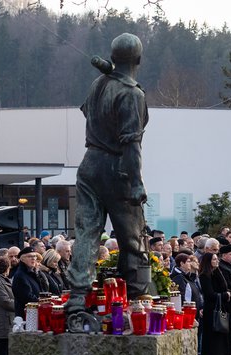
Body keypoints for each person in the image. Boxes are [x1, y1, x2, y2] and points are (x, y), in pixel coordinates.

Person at [66, 33, 152, 319]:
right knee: (133, 236)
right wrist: (137, 182)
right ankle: (137, 301)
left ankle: (77, 299)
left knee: (87, 234)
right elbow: (131, 143)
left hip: (89, 163)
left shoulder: (98, 83)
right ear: (138, 60)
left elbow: (87, 113)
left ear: (113, 58)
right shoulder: (132, 93)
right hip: (117, 166)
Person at [198, 252, 230, 355]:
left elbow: (223, 286)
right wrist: (225, 295)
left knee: (220, 339)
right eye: (214, 259)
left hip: (220, 308)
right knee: (212, 340)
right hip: (211, 311)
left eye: (217, 259)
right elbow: (210, 294)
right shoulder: (205, 276)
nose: (217, 261)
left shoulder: (216, 272)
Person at [12, 247, 43, 317]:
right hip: (27, 316)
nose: (33, 258)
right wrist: (42, 302)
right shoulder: (20, 275)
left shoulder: (32, 273)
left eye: (35, 256)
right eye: (30, 256)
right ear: (22, 259)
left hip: (35, 313)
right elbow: (27, 297)